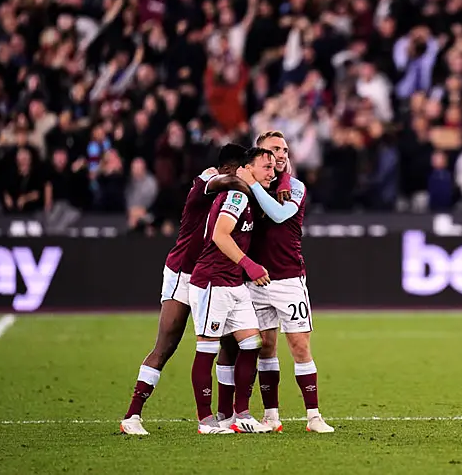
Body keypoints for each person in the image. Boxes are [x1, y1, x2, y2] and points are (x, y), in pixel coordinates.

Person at [120, 144, 250, 436]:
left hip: (214, 276)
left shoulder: (236, 196)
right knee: (166, 345)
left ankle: (224, 415)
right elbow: (224, 180)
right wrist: (251, 182)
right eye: (246, 168)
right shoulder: (209, 181)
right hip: (184, 273)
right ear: (234, 168)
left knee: (230, 345)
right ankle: (132, 415)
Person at [238, 130, 335, 433]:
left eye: (285, 150)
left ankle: (314, 416)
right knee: (265, 347)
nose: (281, 154)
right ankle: (271, 417)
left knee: (299, 345)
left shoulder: (294, 186)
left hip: (289, 278)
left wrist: (253, 184)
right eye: (274, 149)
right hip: (255, 280)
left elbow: (279, 216)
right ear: (259, 154)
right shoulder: (248, 183)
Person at [188, 147, 276, 435]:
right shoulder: (237, 196)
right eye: (266, 167)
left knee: (252, 343)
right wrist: (250, 265)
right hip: (213, 281)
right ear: (247, 168)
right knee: (207, 349)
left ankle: (241, 414)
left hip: (233, 283)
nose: (271, 174)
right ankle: (206, 421)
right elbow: (219, 234)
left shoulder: (248, 197)